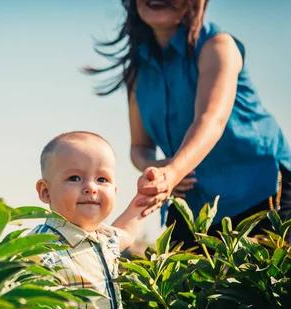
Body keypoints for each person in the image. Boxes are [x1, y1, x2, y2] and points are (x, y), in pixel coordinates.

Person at [89, 0, 291, 246]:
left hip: (260, 189)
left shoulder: (218, 45)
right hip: (191, 205)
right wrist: (156, 169)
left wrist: (172, 172)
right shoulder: (139, 69)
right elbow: (140, 148)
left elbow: (211, 121)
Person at [8, 131, 148, 309]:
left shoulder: (105, 238)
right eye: (74, 178)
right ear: (45, 192)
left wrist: (144, 199)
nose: (90, 187)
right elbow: (13, 280)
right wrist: (43, 304)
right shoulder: (42, 242)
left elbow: (127, 229)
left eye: (102, 179)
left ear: (115, 191)